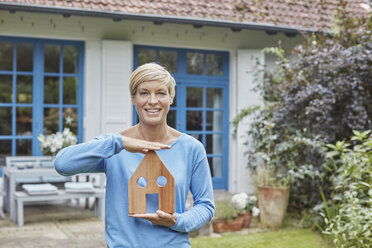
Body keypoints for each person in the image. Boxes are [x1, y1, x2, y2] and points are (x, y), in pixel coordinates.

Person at [54, 63, 215, 248]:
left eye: (161, 93)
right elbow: (62, 164)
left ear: (171, 97)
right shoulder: (114, 145)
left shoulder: (191, 148)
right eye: (144, 93)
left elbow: (206, 206)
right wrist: (119, 143)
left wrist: (176, 221)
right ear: (133, 98)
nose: (152, 101)